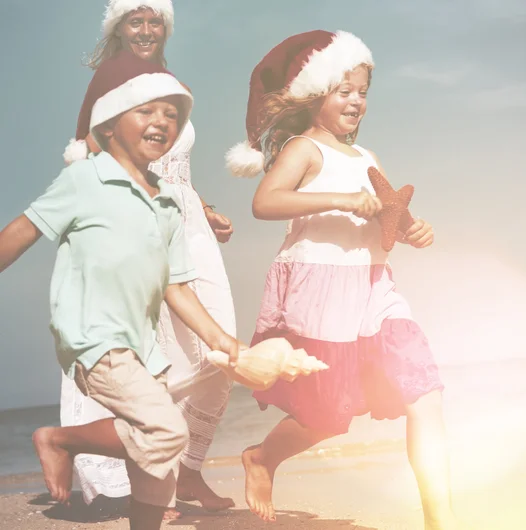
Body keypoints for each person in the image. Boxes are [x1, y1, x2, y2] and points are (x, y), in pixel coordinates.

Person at [225, 30, 461, 529]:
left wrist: (414, 229)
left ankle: (440, 520)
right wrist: (342, 200)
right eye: (344, 90)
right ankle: (261, 458)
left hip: (375, 287)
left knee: (424, 390)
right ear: (315, 96)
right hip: (321, 289)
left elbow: (387, 218)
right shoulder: (304, 148)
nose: (356, 100)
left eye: (362, 92)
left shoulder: (369, 160)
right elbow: (264, 202)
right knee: (327, 414)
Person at [0, 50, 240, 530]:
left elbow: (177, 285)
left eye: (172, 115)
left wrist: (221, 340)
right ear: (108, 125)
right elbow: (20, 233)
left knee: (154, 466)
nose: (161, 122)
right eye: (146, 111)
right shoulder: (84, 179)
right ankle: (61, 440)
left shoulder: (168, 203)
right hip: (93, 336)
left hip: (144, 347)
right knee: (166, 430)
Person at [61, 0, 236, 515]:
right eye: (133, 20)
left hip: (191, 229)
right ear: (118, 27)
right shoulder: (114, 76)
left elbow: (174, 164)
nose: (144, 29)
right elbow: (87, 153)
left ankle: (186, 470)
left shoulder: (167, 78)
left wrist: (204, 208)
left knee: (217, 350)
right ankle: (147, 472)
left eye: (153, 19)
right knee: (157, 355)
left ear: (166, 26)